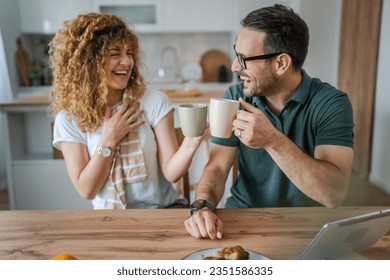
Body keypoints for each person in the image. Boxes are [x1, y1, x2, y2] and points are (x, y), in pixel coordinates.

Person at [185, 4, 354, 239]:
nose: (235, 67)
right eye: (236, 55)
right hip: (244, 215)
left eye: (243, 59)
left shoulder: (331, 103)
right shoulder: (236, 97)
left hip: (309, 225)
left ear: (281, 64)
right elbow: (217, 166)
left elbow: (333, 195)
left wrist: (273, 140)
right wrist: (202, 206)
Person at [49, 13, 205, 209]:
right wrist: (108, 140)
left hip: (163, 210)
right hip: (109, 218)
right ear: (88, 63)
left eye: (129, 53)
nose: (127, 62)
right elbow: (86, 190)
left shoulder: (154, 101)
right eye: (115, 54)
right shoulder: (69, 118)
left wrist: (192, 142)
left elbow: (172, 172)